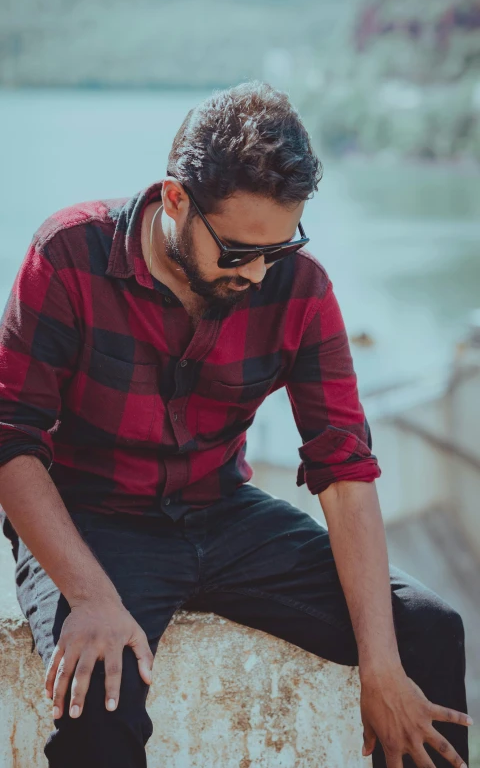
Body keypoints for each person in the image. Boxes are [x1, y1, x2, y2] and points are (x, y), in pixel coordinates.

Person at [0, 81, 470, 768]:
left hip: (224, 514)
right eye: (238, 251)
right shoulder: (69, 256)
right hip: (93, 519)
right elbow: (12, 439)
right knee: (102, 693)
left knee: (426, 632)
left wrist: (381, 664)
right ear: (177, 199)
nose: (256, 272)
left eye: (277, 249)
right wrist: (90, 594)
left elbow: (344, 469)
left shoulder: (299, 287)